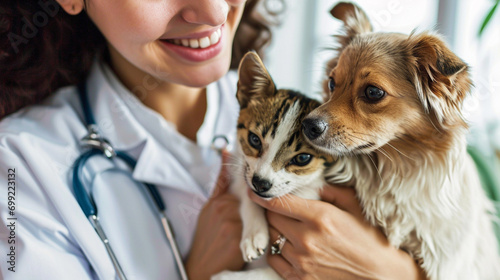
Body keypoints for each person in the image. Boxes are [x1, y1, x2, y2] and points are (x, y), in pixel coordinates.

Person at [0, 0, 427, 279]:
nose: (213, 10)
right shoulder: (20, 167)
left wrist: (393, 274)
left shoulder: (317, 122)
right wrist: (198, 273)